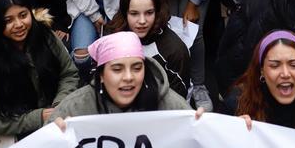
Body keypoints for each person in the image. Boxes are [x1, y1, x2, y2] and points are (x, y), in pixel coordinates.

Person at [0, 0, 78, 143]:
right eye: (8, 20)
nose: (18, 25)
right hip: (12, 137)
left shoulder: (45, 35)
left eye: (23, 15)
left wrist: (59, 106)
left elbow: (68, 73)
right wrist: (38, 118)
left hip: (57, 120)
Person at [51, 31, 191, 119]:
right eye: (117, 69)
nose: (128, 77)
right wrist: (56, 136)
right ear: (101, 75)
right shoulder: (74, 108)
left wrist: (198, 125)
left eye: (137, 68)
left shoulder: (169, 104)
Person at [107, 0, 191, 99]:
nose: (142, 21)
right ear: (125, 13)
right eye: (134, 13)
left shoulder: (175, 51)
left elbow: (177, 99)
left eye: (149, 13)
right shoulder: (112, 36)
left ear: (157, 11)